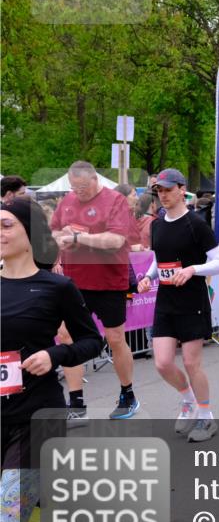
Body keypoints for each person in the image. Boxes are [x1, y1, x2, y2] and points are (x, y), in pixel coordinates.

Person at [2, 197, 100, 522]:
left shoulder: (56, 286)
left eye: (6, 224)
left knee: (6, 518)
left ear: (30, 233)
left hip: (37, 418)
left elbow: (93, 341)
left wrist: (54, 353)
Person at [137, 169, 219, 443]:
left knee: (191, 363)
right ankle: (188, 401)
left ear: (181, 189)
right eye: (159, 191)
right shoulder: (157, 224)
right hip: (165, 301)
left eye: (167, 189)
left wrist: (192, 269)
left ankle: (206, 417)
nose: (163, 195)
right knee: (163, 363)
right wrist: (148, 276)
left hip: (192, 301)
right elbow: (159, 258)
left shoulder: (196, 224)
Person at [50, 161, 140, 421]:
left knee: (114, 338)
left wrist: (79, 238)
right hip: (74, 281)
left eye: (82, 188)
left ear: (94, 180)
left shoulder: (115, 201)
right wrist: (61, 236)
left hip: (109, 280)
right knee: (66, 335)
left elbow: (116, 240)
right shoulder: (66, 201)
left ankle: (128, 394)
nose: (77, 192)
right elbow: (54, 230)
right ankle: (76, 403)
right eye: (73, 187)